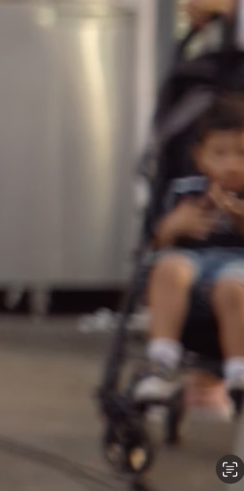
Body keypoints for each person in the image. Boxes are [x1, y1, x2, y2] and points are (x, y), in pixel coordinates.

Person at [133, 97, 244, 410]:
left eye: (241, 154)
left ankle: (239, 372)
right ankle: (162, 360)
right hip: (191, 269)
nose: (231, 164)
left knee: (234, 288)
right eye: (219, 154)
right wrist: (173, 224)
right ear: (200, 157)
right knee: (169, 267)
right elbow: (157, 239)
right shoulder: (185, 188)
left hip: (237, 268)